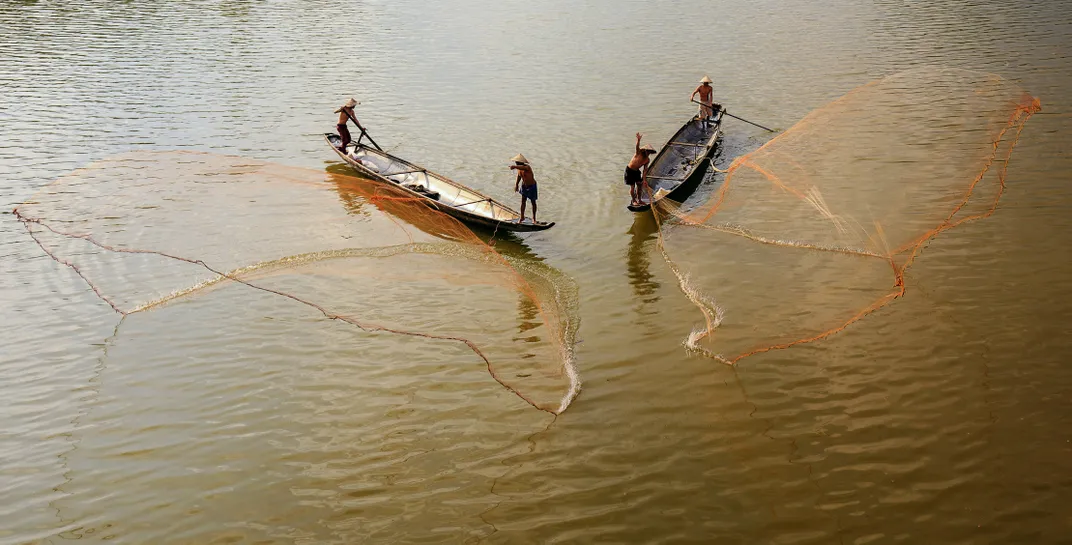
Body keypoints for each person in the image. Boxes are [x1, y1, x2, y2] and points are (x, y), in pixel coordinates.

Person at [626, 132, 657, 206]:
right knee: (632, 187)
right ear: (645, 150)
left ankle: (639, 200)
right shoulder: (638, 153)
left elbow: (645, 170)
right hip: (629, 170)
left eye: (650, 152)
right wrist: (638, 140)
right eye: (647, 151)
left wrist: (644, 180)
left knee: (640, 185)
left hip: (637, 172)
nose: (648, 153)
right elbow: (637, 146)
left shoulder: (647, 160)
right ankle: (634, 201)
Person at [510, 154, 538, 223]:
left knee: (533, 202)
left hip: (532, 186)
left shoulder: (527, 167)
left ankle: (534, 218)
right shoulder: (519, 169)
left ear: (519, 162)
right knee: (523, 201)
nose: (515, 163)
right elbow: (519, 177)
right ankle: (522, 217)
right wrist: (516, 185)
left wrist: (514, 167)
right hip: (524, 186)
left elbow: (523, 168)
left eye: (516, 162)